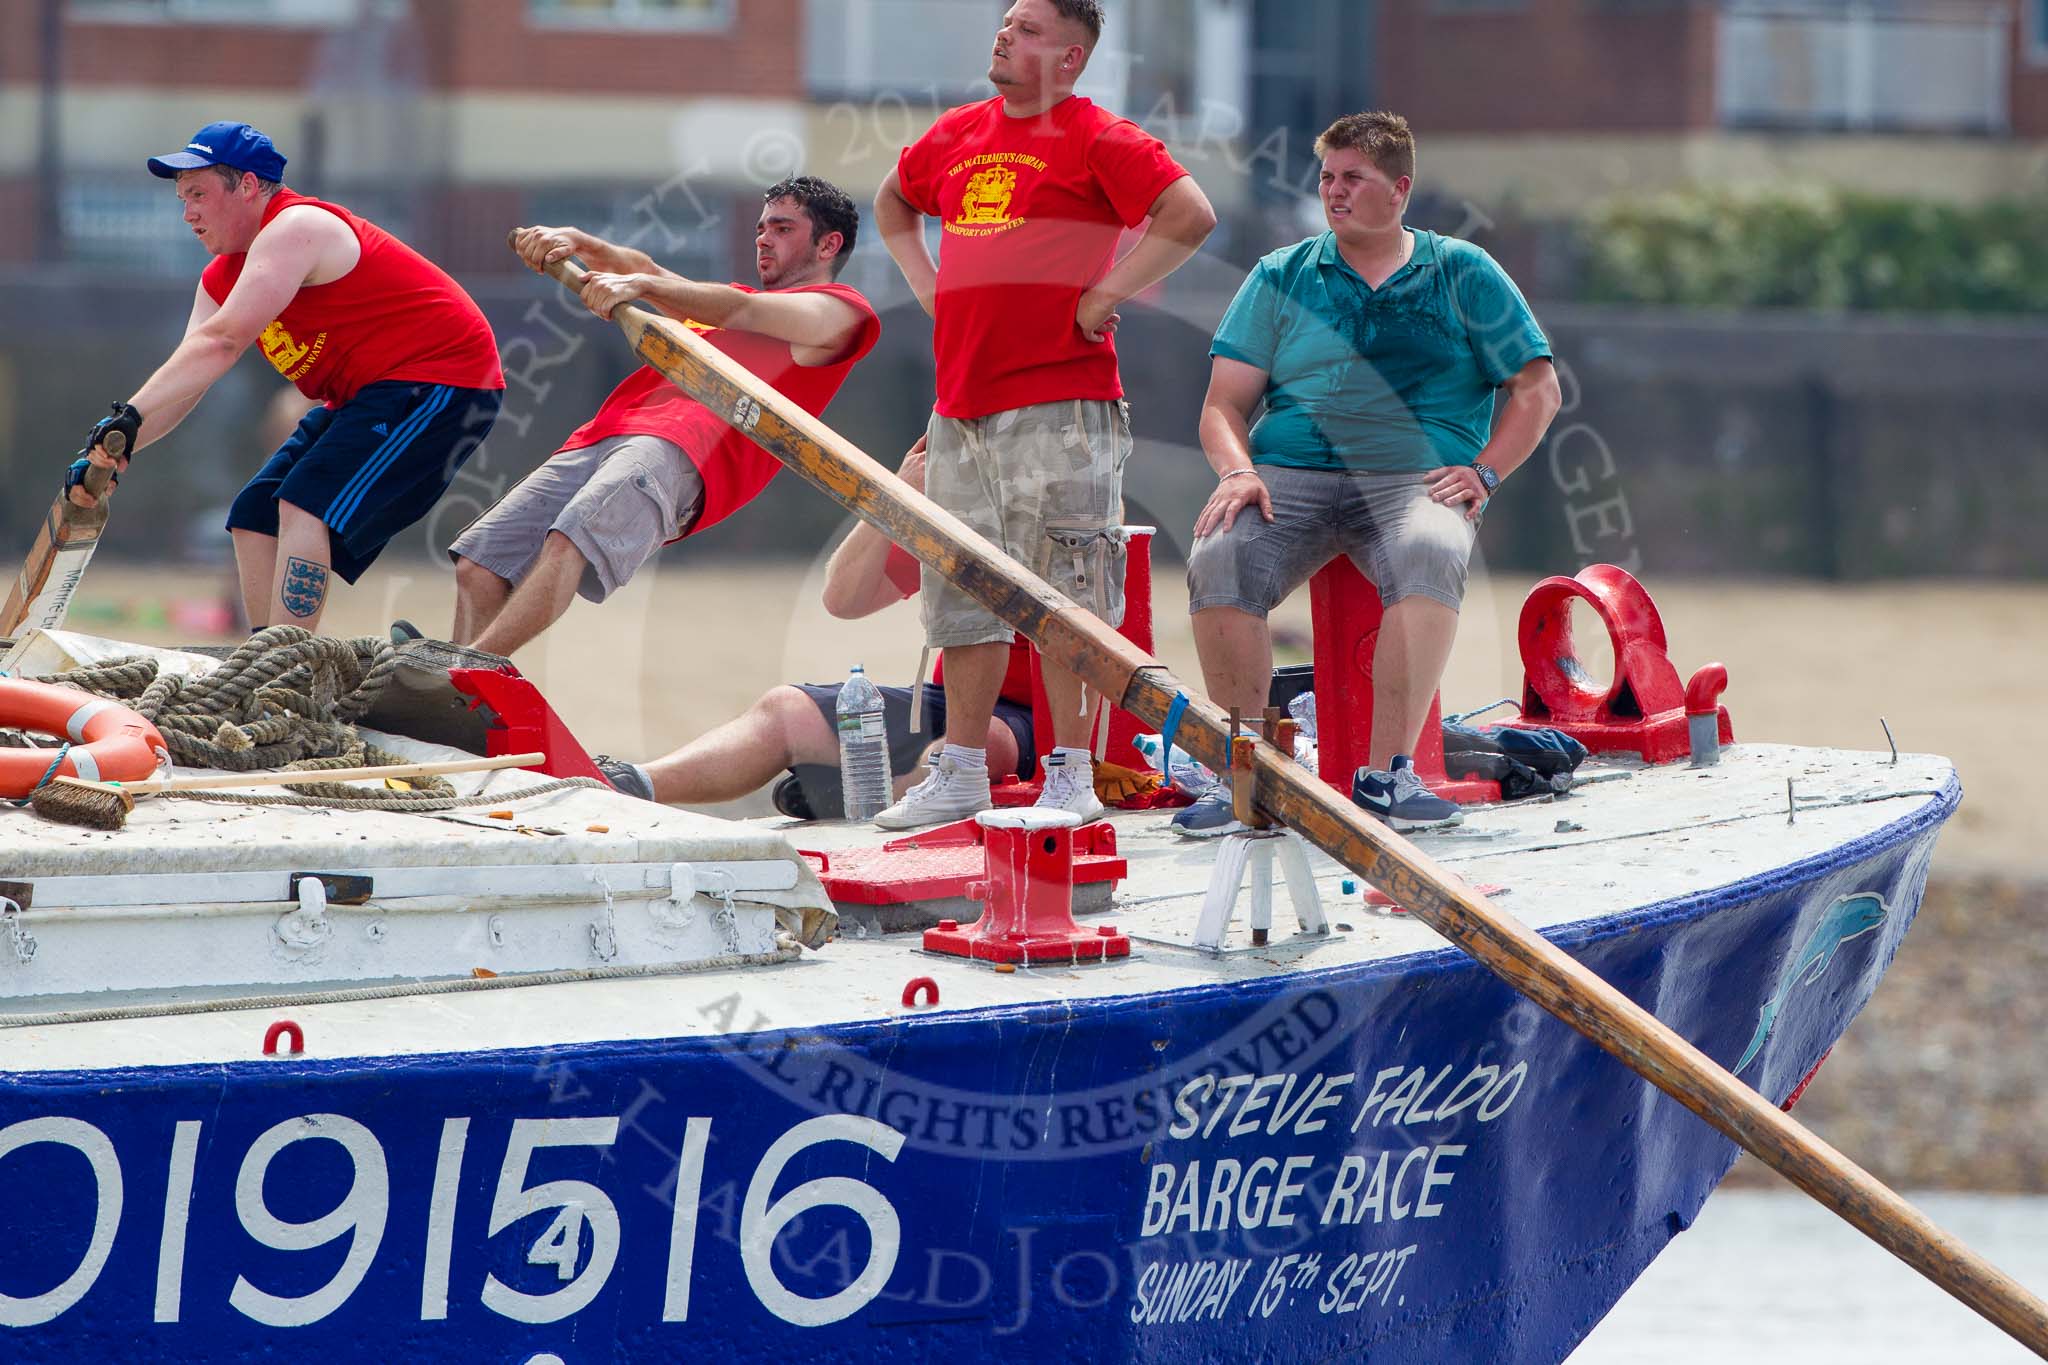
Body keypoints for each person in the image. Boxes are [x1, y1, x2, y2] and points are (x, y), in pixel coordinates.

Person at [870, 0, 1216, 829]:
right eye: (1005, 23)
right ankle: (957, 770)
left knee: (1066, 590)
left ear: (1070, 57)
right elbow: (892, 201)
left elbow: (1191, 214)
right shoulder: (958, 133)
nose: (1003, 36)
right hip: (961, 403)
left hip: (1060, 400)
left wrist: (1105, 295)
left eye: (1027, 29)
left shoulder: (1098, 135)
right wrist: (928, 287)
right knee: (961, 589)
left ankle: (1069, 772)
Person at [1176, 110, 1561, 837]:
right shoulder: (1281, 275)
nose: (1335, 191)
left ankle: (1391, 775)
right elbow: (1222, 406)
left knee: (1433, 547)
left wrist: (1486, 472)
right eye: (1327, 178)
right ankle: (1248, 774)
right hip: (1291, 470)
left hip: (1417, 479)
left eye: (1354, 178)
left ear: (1400, 189)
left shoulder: (1464, 272)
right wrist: (1234, 472)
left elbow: (1539, 391)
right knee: (1219, 550)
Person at [71, 121, 503, 632]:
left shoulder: (297, 227)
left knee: (304, 502)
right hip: (365, 394)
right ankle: (265, 656)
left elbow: (223, 341)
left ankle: (288, 665)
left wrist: (129, 416)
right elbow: (192, 372)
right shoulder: (220, 276)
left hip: (444, 379)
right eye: (182, 197)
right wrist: (115, 451)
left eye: (199, 194)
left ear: (248, 186)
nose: (187, 212)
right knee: (253, 515)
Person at [449, 177, 879, 657]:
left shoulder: (843, 313)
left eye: (781, 228)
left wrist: (642, 285)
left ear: (828, 244)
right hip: (604, 435)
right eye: (761, 227)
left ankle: (461, 676)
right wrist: (579, 241)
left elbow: (734, 307)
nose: (762, 237)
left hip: (685, 450)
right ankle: (454, 702)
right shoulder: (718, 304)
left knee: (568, 540)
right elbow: (649, 269)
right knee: (479, 561)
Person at [596, 440, 1038, 815]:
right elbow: (842, 598)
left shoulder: (1086, 520)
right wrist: (895, 497)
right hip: (953, 698)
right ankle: (623, 787)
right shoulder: (964, 519)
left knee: (981, 741)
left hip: (1044, 722)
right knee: (786, 710)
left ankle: (869, 802)